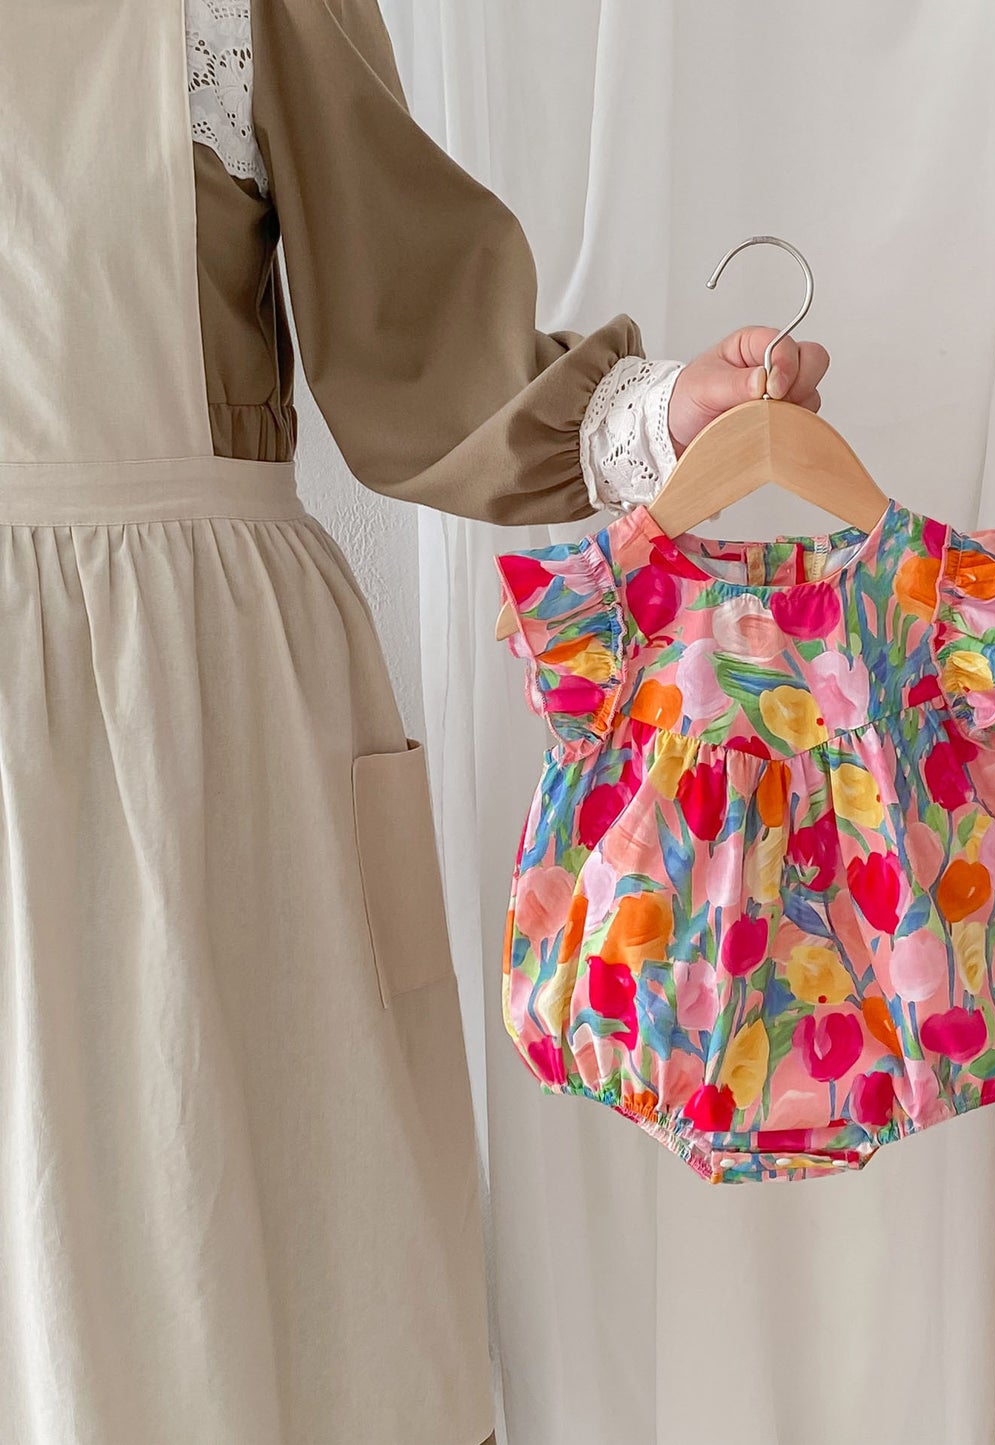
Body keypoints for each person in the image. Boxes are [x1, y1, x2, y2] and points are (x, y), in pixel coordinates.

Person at [0, 3, 827, 1444]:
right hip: (160, 669)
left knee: (256, 1257)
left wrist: (656, 418)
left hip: (195, 706)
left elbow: (414, 328)